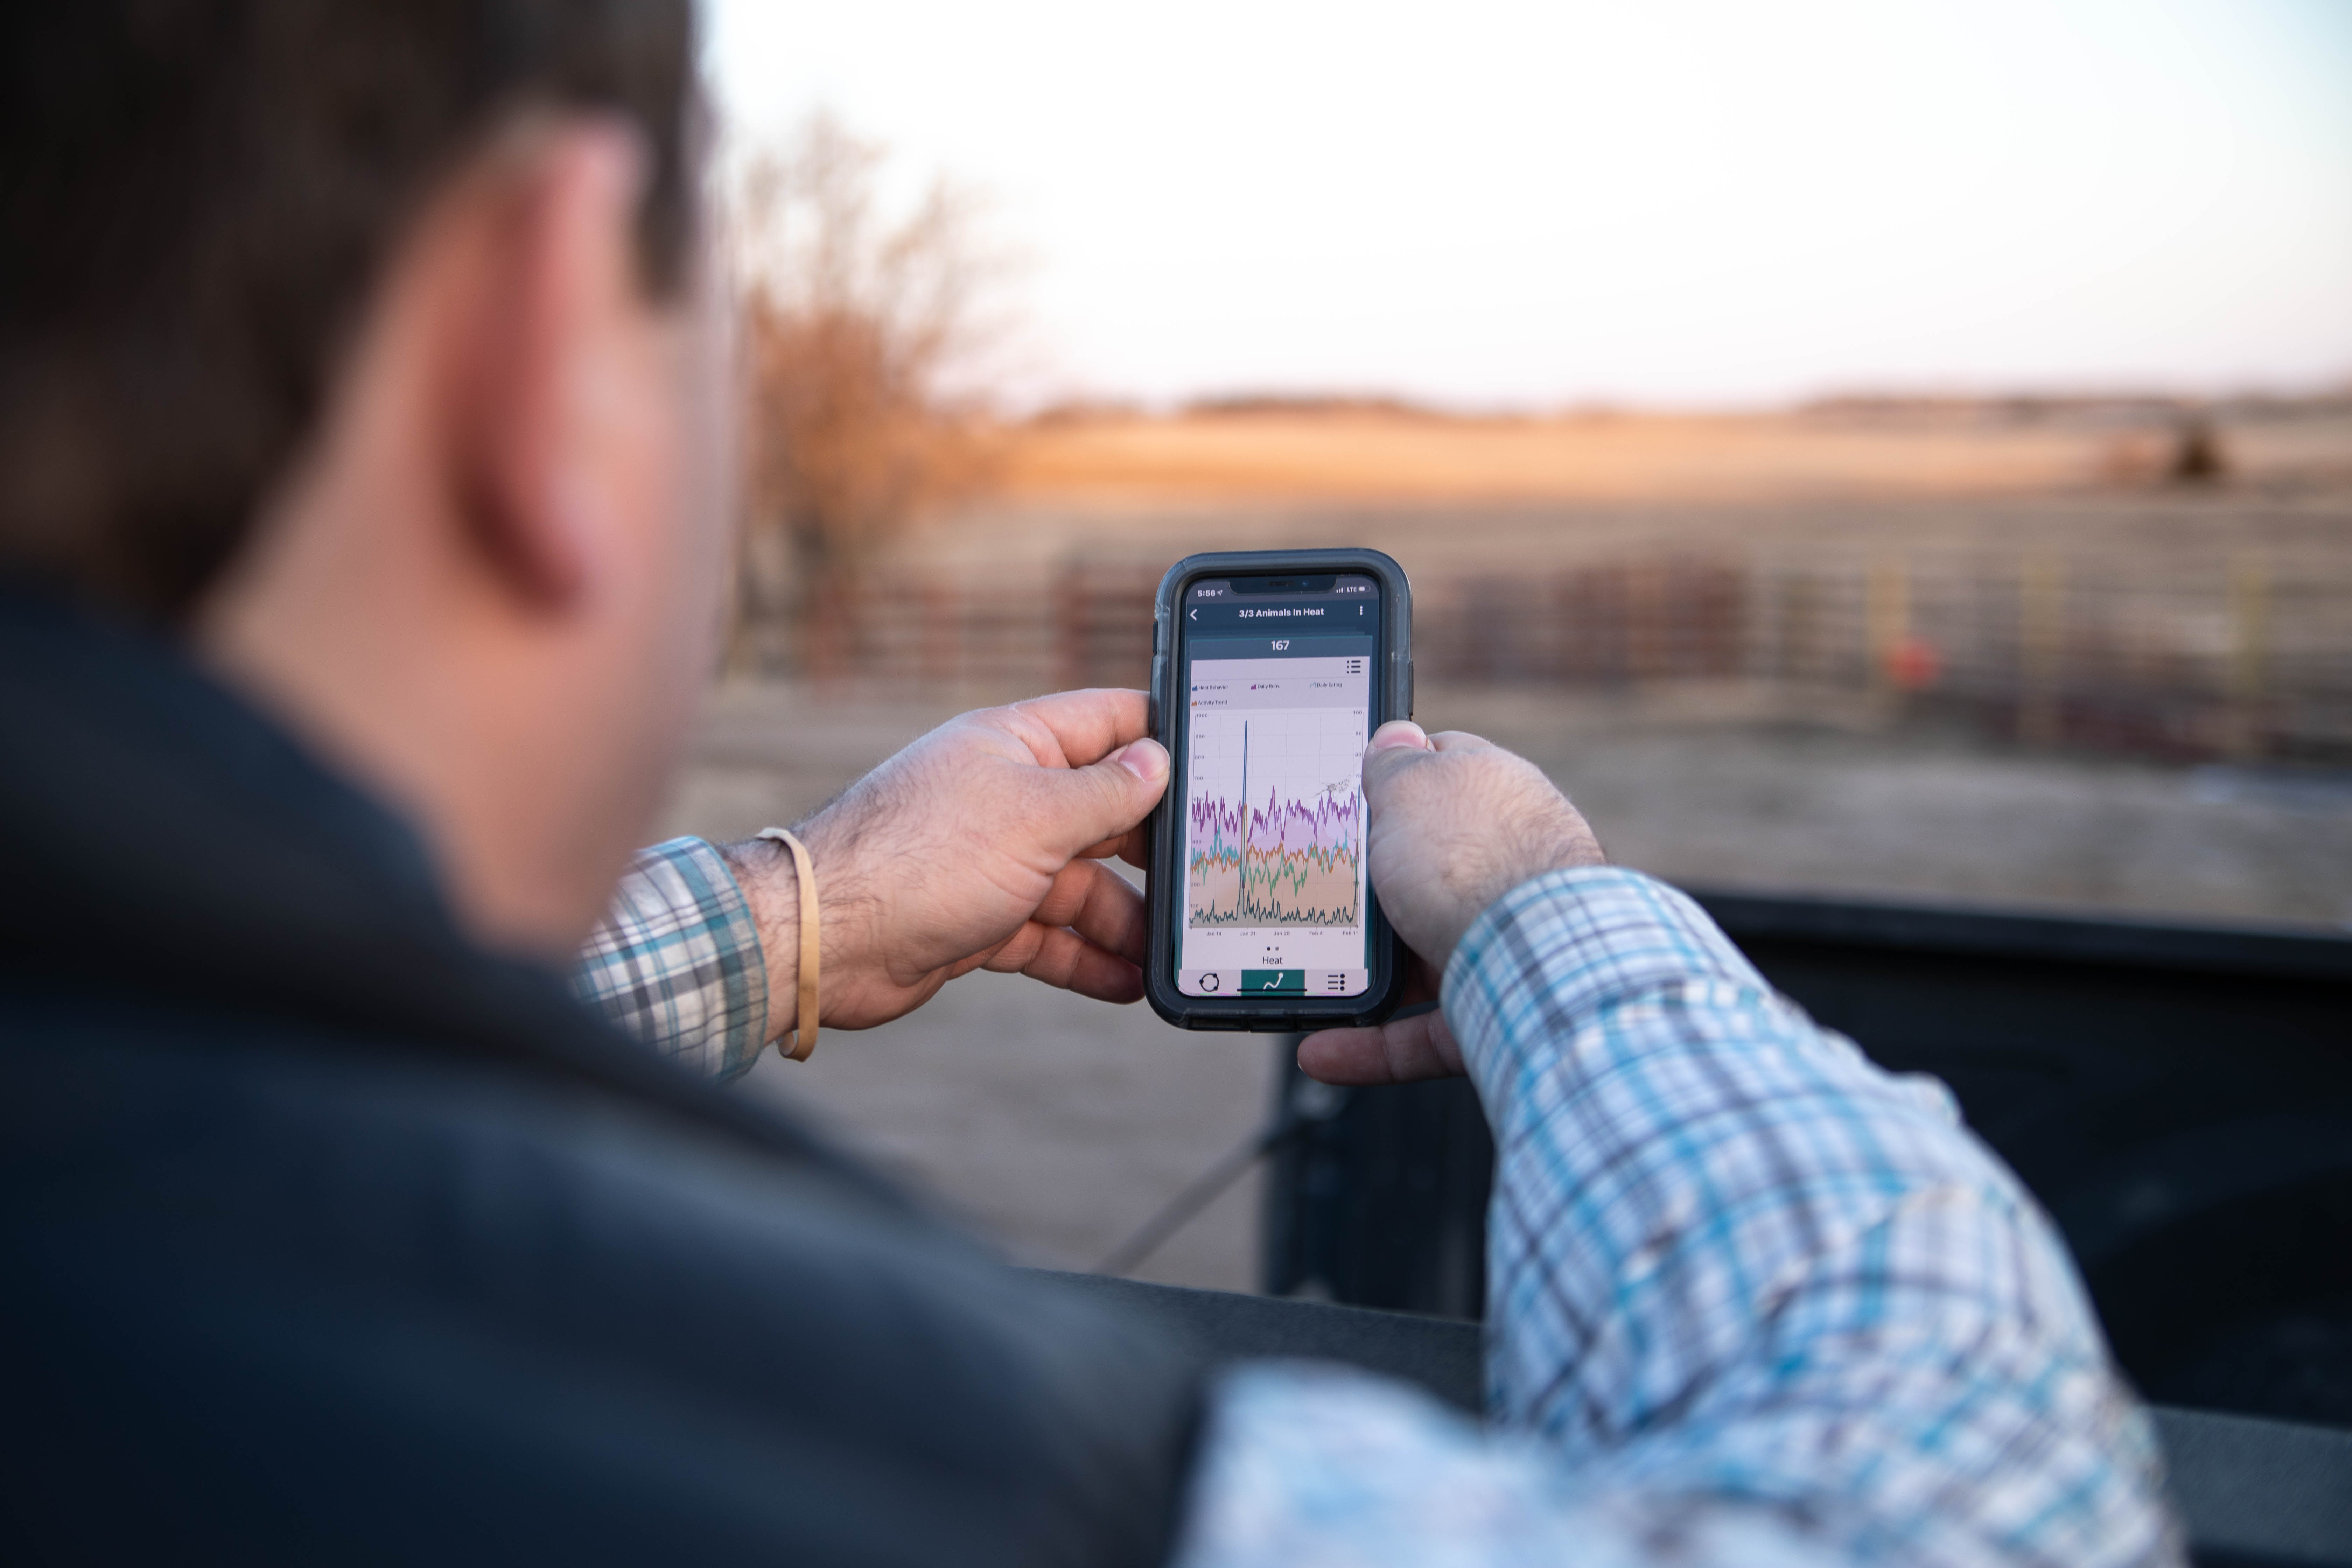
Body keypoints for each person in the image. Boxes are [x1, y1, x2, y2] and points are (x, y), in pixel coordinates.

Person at [0, 4, 2175, 1565]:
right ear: (534, 342)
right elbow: (1966, 1505)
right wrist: (1537, 912)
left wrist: (806, 913)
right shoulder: (812, 1448)